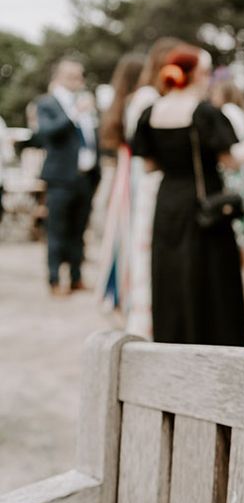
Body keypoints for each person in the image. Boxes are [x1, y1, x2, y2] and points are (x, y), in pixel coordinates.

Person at [132, 44, 244, 346]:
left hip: (168, 202)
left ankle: (174, 338)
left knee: (171, 273)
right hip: (205, 204)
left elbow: (149, 166)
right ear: (196, 75)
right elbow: (230, 160)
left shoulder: (151, 112)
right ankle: (212, 341)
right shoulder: (204, 113)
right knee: (211, 276)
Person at [123, 37, 181, 337]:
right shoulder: (147, 98)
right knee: (145, 252)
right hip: (148, 185)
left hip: (158, 184)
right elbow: (144, 151)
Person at [35, 57, 101, 296]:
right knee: (57, 230)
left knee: (79, 230)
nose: (79, 81)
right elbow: (47, 133)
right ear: (60, 77)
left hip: (85, 177)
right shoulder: (48, 104)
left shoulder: (84, 105)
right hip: (61, 179)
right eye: (73, 76)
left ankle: (76, 277)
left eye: (80, 76)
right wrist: (74, 113)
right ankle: (54, 280)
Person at [96, 53, 145, 311]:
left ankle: (116, 288)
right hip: (135, 172)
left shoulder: (117, 104)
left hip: (123, 171)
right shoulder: (138, 102)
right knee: (130, 228)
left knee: (121, 230)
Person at [211, 78, 244, 297]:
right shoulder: (240, 113)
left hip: (235, 174)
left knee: (236, 227)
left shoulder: (227, 113)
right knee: (242, 226)